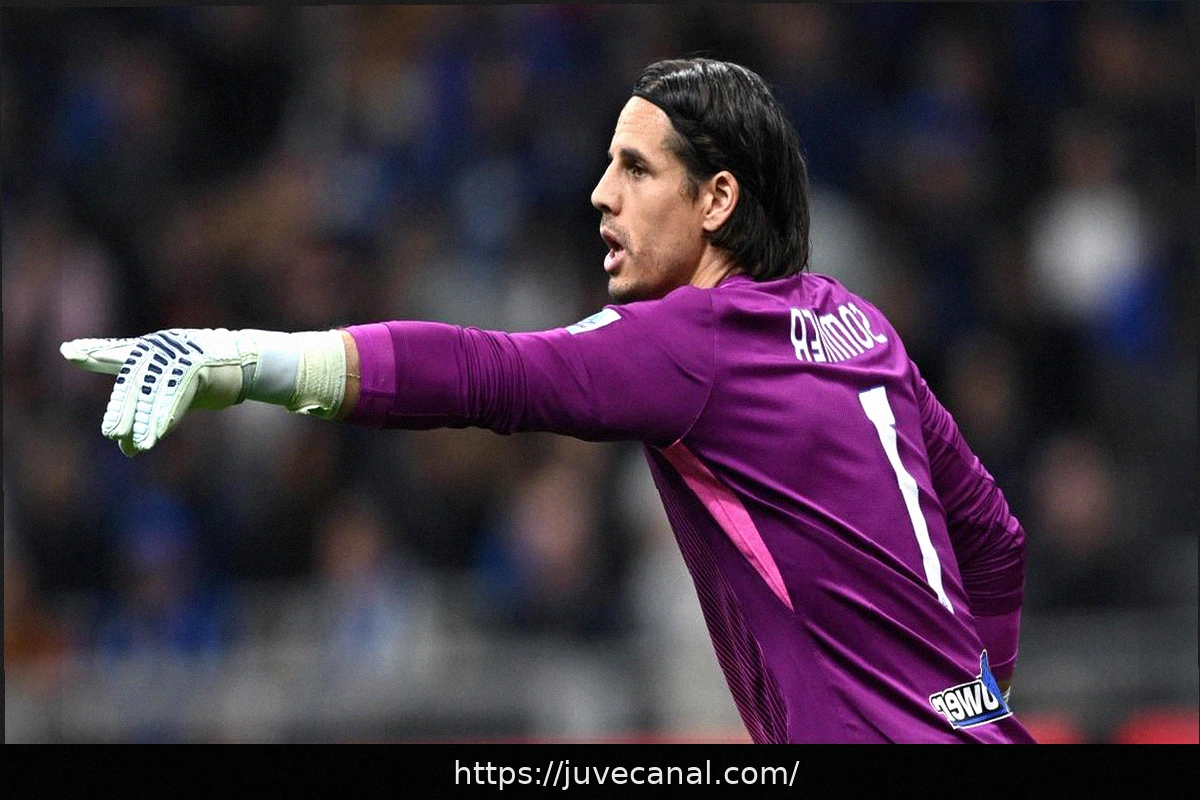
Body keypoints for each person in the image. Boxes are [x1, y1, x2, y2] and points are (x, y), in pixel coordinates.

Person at [62, 58, 1034, 743]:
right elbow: (994, 538)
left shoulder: (693, 342)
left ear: (717, 199)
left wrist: (241, 360)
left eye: (637, 169)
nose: (602, 194)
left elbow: (481, 371)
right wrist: (969, 705)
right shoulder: (860, 327)